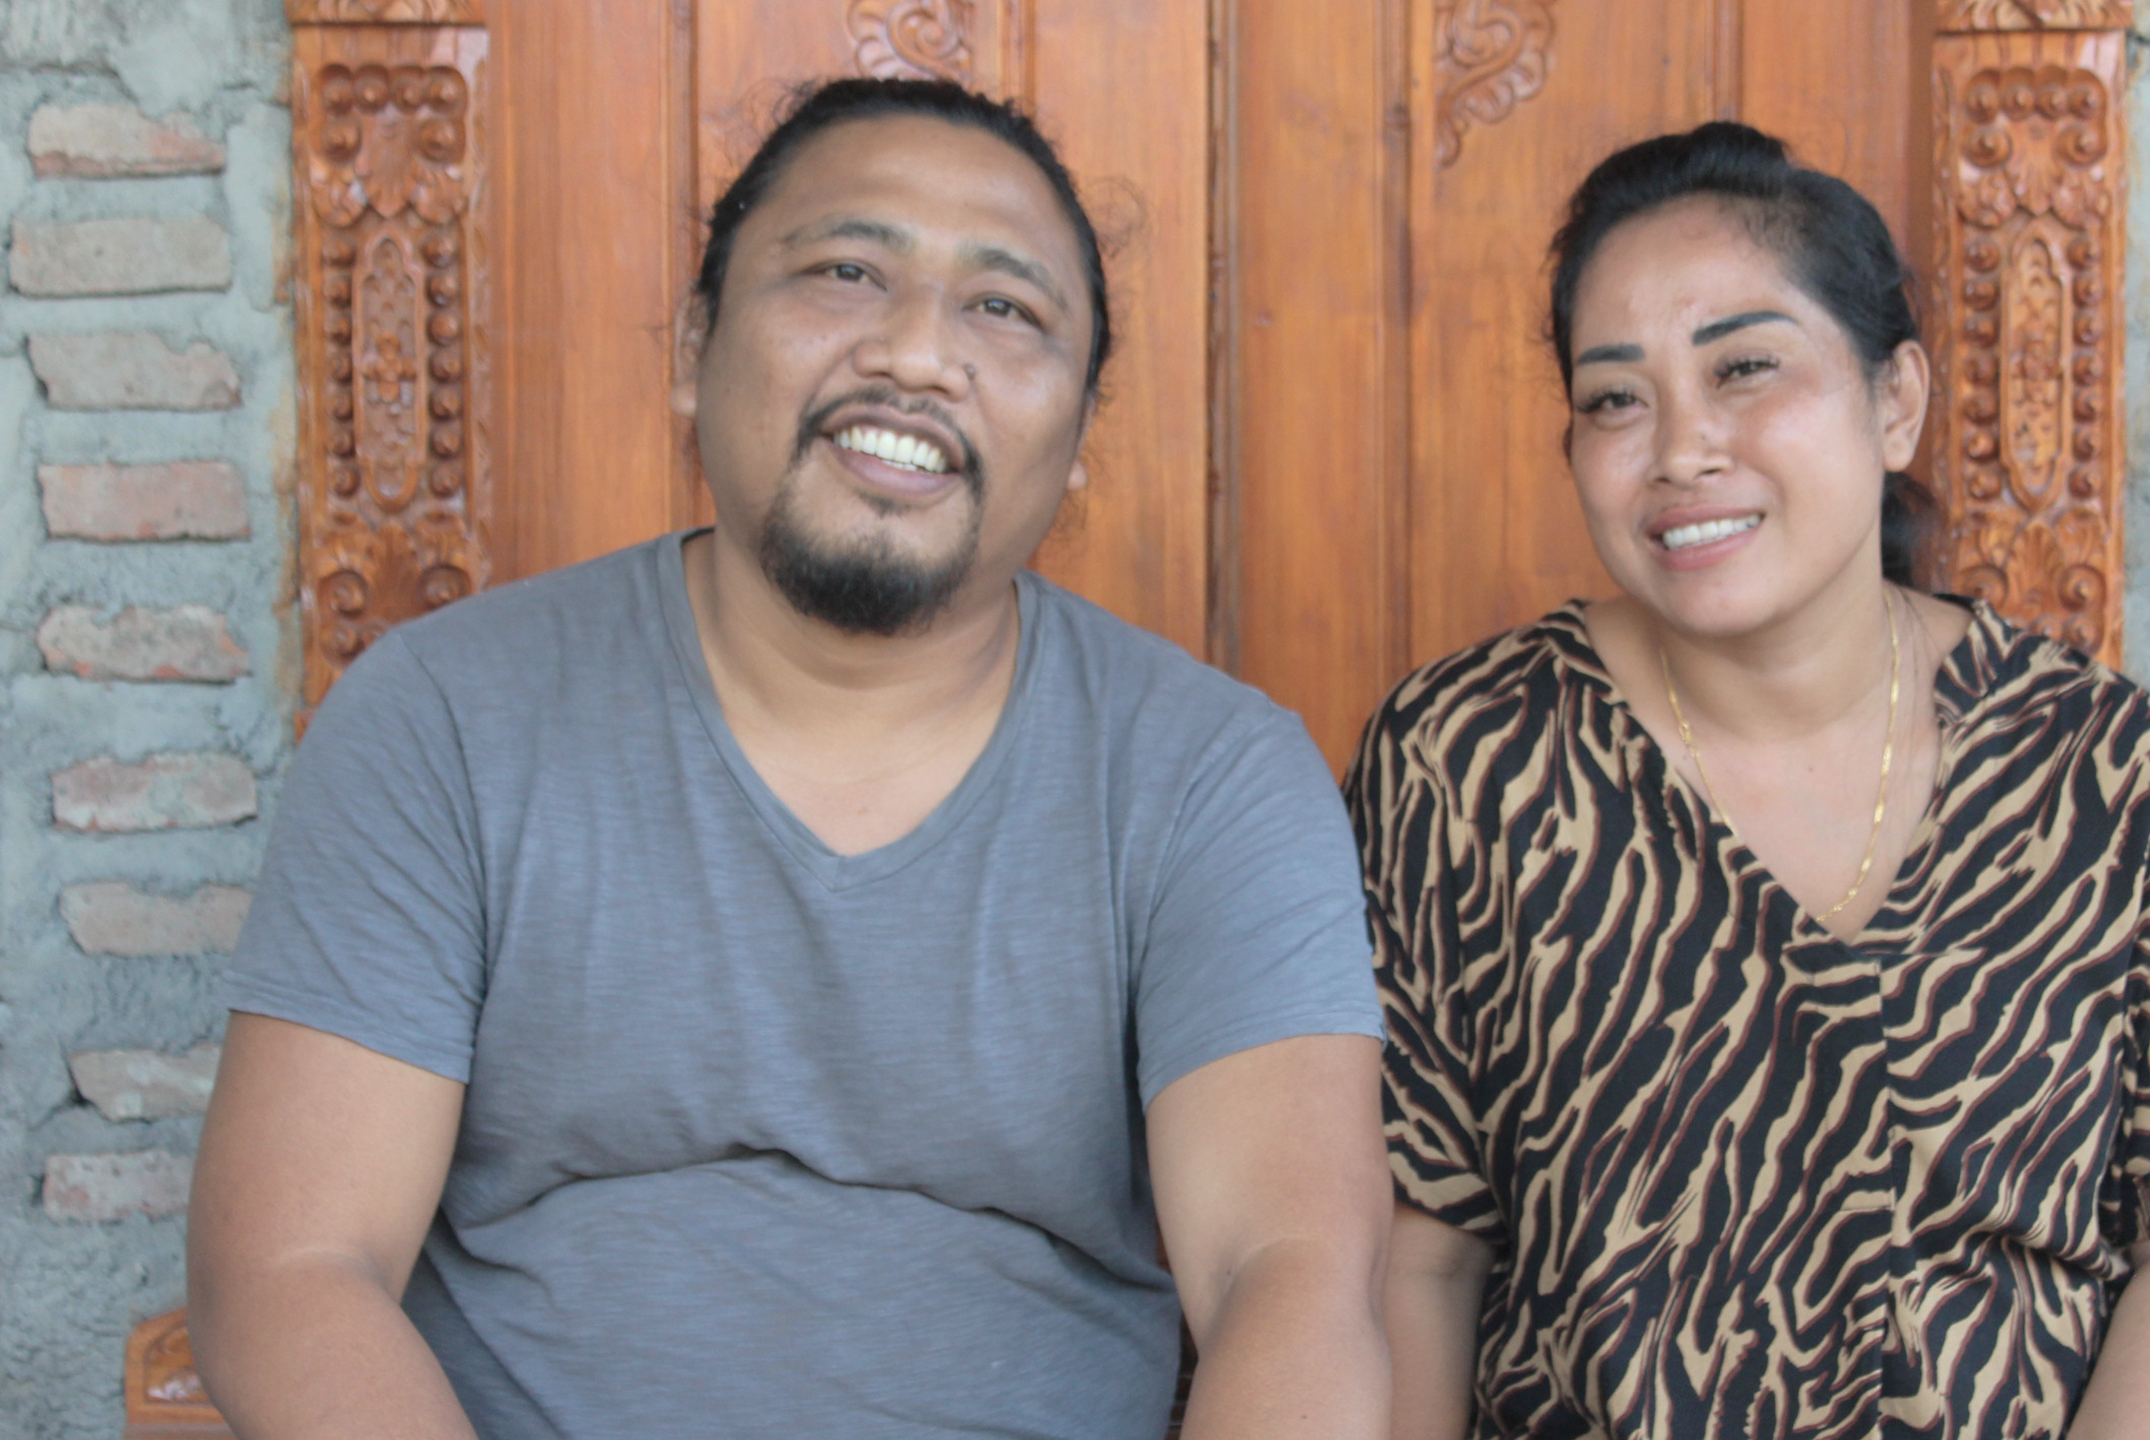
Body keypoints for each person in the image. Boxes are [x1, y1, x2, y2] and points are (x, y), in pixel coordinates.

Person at [189, 79, 1391, 1440]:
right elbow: (291, 1269)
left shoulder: (1211, 777)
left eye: (1004, 308)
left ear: (1078, 434)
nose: (918, 353)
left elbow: (1292, 1274)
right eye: (846, 272)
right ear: (695, 344)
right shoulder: (443, 718)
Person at [1351, 122, 2150, 1440]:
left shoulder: (2112, 776)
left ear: (1896, 400)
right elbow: (1421, 1259)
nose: (1681, 448)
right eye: (1615, 399)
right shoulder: (1471, 762)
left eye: (1745, 367)